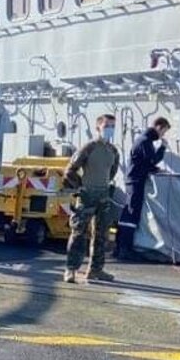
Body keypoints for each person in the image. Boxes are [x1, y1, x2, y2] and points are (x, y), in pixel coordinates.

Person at [62, 114, 120, 284]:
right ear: (98, 128)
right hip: (87, 196)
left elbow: (112, 172)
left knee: (101, 234)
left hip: (103, 196)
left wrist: (104, 187)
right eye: (107, 126)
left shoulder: (113, 151)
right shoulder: (89, 148)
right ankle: (71, 269)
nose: (110, 129)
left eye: (113, 126)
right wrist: (80, 187)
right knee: (79, 233)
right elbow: (70, 170)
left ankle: (96, 269)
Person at [116, 116, 170, 260]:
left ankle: (120, 246)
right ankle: (125, 249)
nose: (162, 135)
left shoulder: (144, 140)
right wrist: (163, 147)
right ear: (159, 127)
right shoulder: (146, 141)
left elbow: (146, 162)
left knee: (127, 212)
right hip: (136, 181)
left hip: (133, 179)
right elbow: (152, 159)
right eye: (163, 132)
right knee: (132, 214)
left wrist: (155, 169)